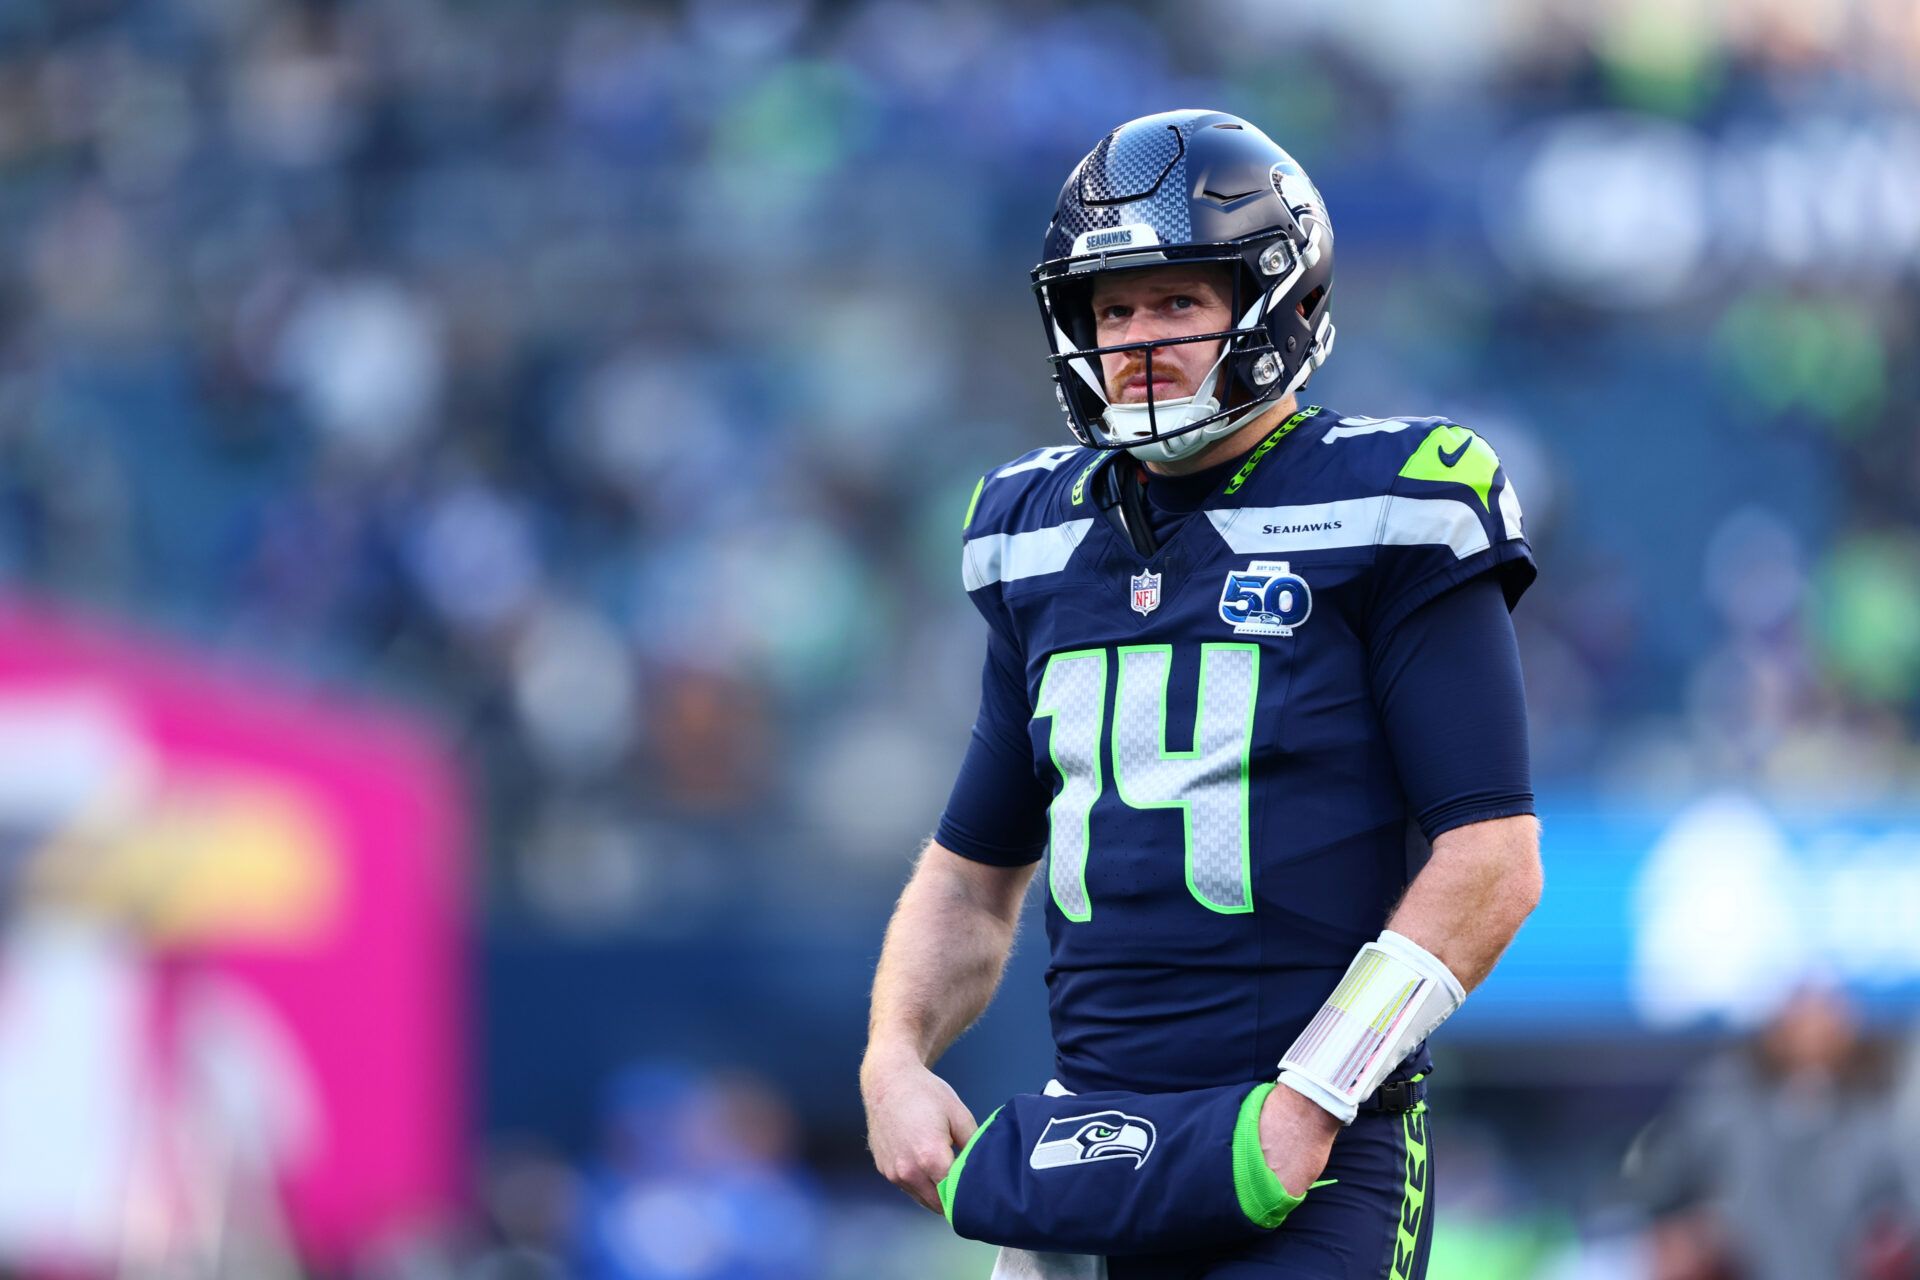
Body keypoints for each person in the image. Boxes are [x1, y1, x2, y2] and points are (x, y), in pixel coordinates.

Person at [860, 109, 1542, 1280]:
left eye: (1177, 301)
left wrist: (1315, 1092)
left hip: (1311, 1149)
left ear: (1275, 300)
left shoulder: (1389, 502)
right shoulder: (1034, 533)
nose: (1135, 340)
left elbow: (1492, 859)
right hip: (1089, 1145)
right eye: (1110, 308)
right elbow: (973, 879)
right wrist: (893, 1059)